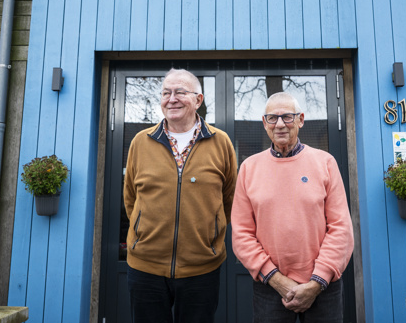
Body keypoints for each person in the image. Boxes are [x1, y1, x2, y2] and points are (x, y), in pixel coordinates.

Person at [123, 68, 238, 323]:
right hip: (145, 268)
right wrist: (144, 232)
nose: (171, 98)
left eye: (180, 92)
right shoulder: (141, 142)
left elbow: (229, 199)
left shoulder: (221, 143)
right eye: (166, 92)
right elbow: (131, 197)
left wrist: (208, 237)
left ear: (198, 99)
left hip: (201, 270)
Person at [232, 91, 354, 323]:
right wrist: (277, 279)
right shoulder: (249, 168)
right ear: (264, 123)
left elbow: (341, 229)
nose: (280, 124)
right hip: (270, 287)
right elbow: (241, 234)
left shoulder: (325, 163)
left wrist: (317, 281)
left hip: (323, 287)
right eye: (272, 118)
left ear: (301, 119)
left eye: (288, 117)